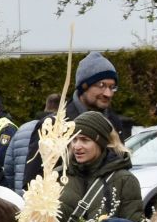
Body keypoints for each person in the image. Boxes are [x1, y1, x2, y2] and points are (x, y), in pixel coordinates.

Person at [22, 53, 132, 185]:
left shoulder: (114, 124)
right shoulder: (54, 126)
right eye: (101, 85)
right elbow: (33, 182)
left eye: (112, 87)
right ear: (84, 86)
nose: (108, 93)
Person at [49, 111, 144, 222]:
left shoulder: (124, 180)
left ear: (100, 142)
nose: (77, 146)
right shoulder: (57, 177)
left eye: (85, 140)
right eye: (74, 139)